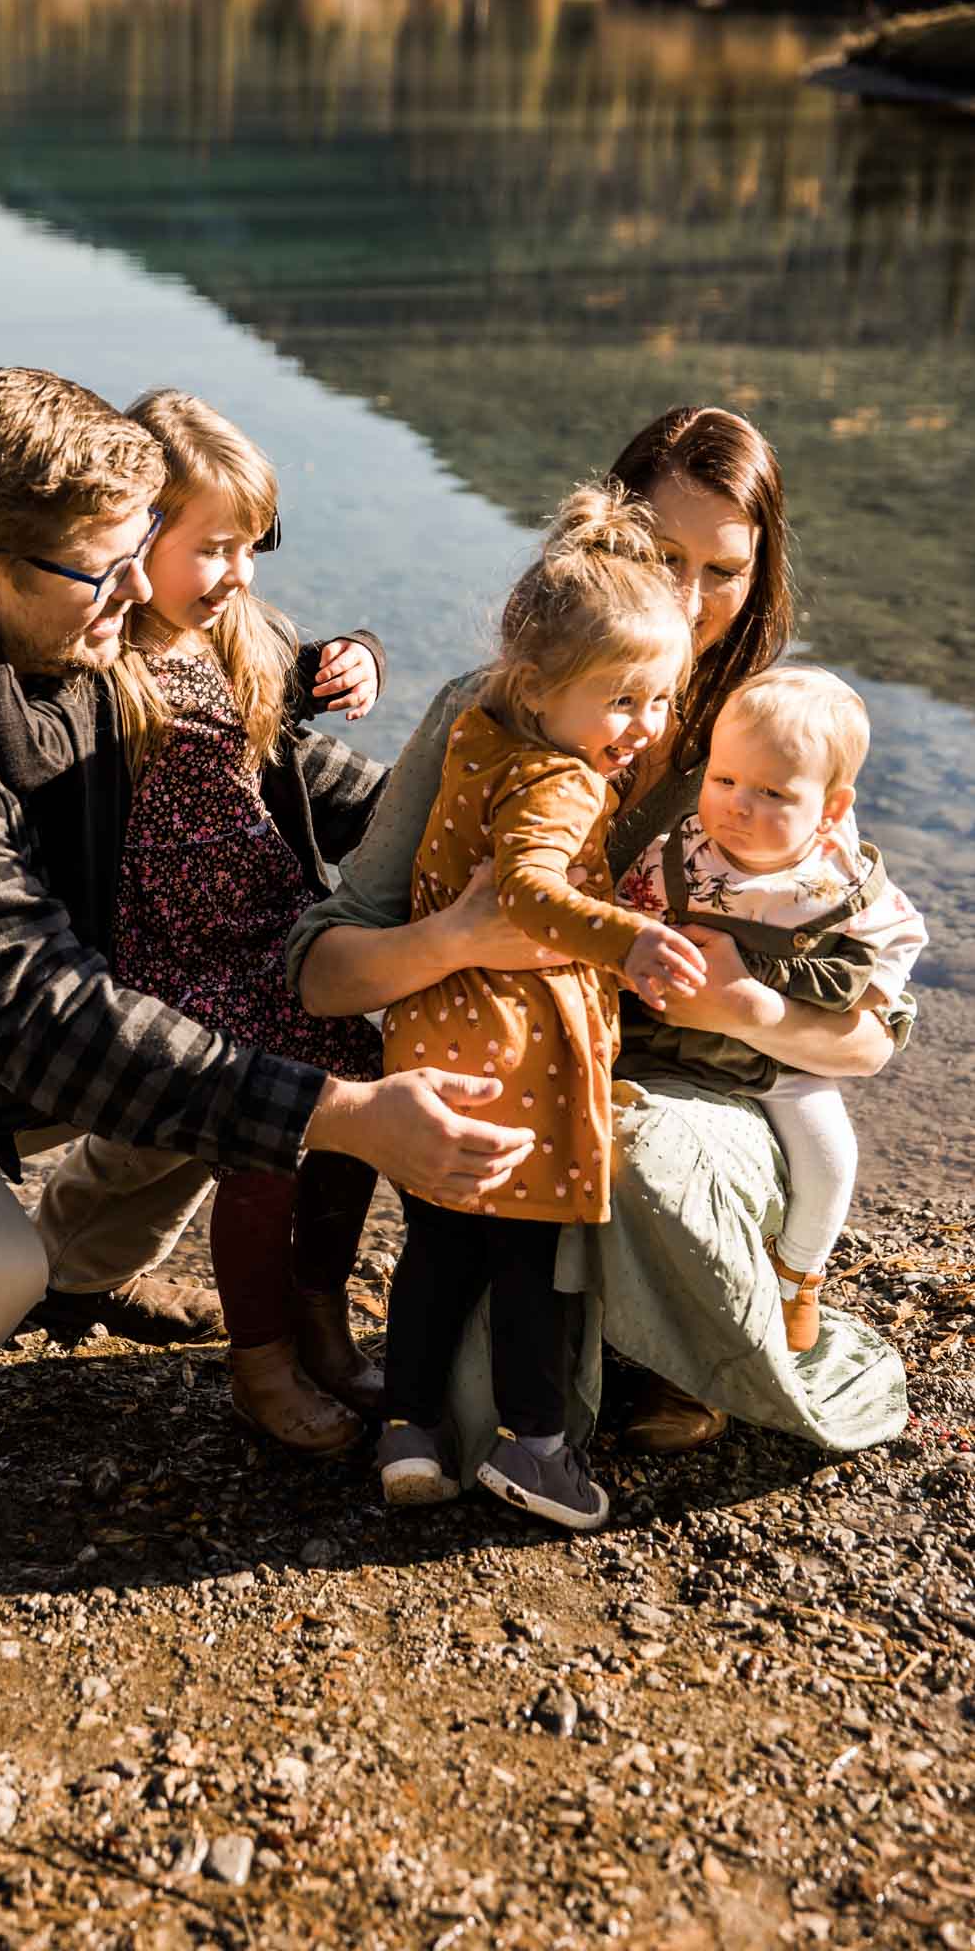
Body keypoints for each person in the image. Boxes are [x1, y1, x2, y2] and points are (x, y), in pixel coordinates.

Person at [0, 367, 537, 1435]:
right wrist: (341, 1115)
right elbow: (49, 1016)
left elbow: (258, 770)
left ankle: (76, 1271)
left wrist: (465, 839)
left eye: (140, 554)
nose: (137, 592)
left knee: (207, 1034)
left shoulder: (39, 612)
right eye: (108, 569)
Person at [288, 405, 912, 1461]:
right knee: (483, 1408)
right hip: (523, 1082)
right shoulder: (484, 717)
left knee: (639, 1154)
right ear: (602, 542)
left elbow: (868, 1035)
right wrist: (459, 937)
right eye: (662, 554)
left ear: (759, 580)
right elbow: (322, 968)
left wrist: (740, 1004)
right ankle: (365, 1326)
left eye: (723, 569)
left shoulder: (767, 742)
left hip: (683, 1094)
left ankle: (688, 1337)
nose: (688, 595)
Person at [0, 386, 389, 1457]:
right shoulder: (95, 655)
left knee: (357, 1076)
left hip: (269, 921)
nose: (235, 572)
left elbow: (294, 717)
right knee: (267, 1123)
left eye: (253, 546)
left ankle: (318, 1311)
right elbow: (1, 710)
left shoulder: (245, 633)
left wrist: (354, 649)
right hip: (166, 950)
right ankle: (260, 1360)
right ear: (138, 542)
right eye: (213, 547)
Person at [376, 484, 698, 1527]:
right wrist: (633, 937)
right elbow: (527, 891)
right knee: (531, 1264)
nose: (641, 728)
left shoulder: (481, 726)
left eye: (657, 700)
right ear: (540, 679)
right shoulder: (564, 782)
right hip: (516, 1050)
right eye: (621, 700)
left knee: (437, 1249)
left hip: (436, 1027)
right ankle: (537, 1447)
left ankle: (408, 1430)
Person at [616, 665, 926, 1353]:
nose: (737, 806)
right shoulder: (679, 855)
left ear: (832, 807)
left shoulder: (835, 880)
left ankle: (797, 1276)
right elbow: (621, 918)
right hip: (664, 1038)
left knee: (828, 1152)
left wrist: (864, 994)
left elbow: (897, 941)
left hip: (780, 1055)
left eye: (772, 792)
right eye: (724, 780)